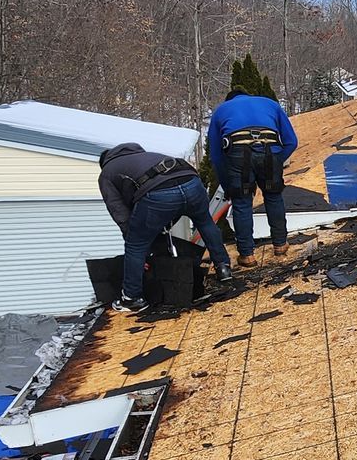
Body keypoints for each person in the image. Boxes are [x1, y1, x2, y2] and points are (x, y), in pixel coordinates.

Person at [98, 142, 231, 313]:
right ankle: (224, 268)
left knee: (135, 244)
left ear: (104, 162)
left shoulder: (107, 173)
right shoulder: (147, 156)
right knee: (205, 222)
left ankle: (132, 298)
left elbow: (121, 214)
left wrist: (137, 244)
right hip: (191, 180)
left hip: (159, 192)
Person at [206, 86, 298, 266]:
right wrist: (277, 160)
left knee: (242, 203)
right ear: (249, 95)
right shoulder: (270, 104)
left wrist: (227, 185)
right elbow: (291, 141)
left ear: (229, 100)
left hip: (238, 155)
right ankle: (280, 244)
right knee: (273, 197)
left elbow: (216, 156)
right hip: (270, 150)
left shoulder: (221, 111)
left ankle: (247, 255)